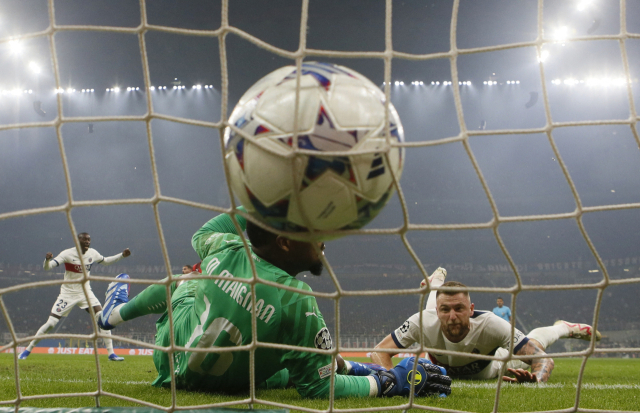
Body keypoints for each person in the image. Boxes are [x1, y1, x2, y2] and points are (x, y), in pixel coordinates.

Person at [96, 208, 451, 398]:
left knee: (187, 279)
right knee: (289, 360)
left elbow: (200, 234)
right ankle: (113, 313)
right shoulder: (296, 298)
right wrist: (393, 383)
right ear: (283, 242)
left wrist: (266, 201)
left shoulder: (226, 248)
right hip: (233, 386)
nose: (324, 240)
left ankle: (113, 315)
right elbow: (318, 389)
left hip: (170, 362)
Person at [371, 279, 601, 383]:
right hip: (448, 370)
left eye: (459, 309)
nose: (452, 316)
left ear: (471, 309)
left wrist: (537, 380)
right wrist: (394, 382)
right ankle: (436, 279)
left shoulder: (492, 324)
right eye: (445, 309)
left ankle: (562, 328)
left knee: (534, 342)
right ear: (437, 310)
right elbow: (379, 351)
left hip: (495, 364)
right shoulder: (420, 322)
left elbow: (543, 360)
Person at [18, 232, 131, 361]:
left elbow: (105, 261)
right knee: (51, 323)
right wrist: (47, 260)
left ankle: (111, 354)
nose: (88, 242)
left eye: (89, 240)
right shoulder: (67, 254)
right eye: (85, 239)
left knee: (103, 318)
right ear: (78, 241)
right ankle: (27, 350)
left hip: (85, 292)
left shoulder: (92, 253)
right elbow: (48, 268)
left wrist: (122, 255)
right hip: (68, 294)